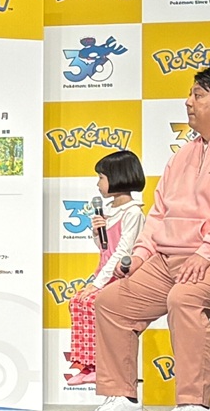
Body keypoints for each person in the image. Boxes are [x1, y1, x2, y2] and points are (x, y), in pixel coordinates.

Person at [76, 64, 210, 411]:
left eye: (197, 95)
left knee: (184, 299)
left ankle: (194, 407)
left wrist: (206, 252)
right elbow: (158, 214)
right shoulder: (183, 154)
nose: (188, 102)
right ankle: (121, 400)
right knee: (111, 302)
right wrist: (139, 256)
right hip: (172, 258)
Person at [63, 149, 147, 388]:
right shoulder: (109, 211)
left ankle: (101, 364)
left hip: (120, 278)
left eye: (101, 177)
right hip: (103, 273)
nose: (98, 183)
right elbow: (105, 248)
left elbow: (123, 252)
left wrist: (97, 284)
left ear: (118, 177)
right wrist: (96, 231)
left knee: (93, 302)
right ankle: (87, 365)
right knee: (77, 302)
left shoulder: (133, 212)